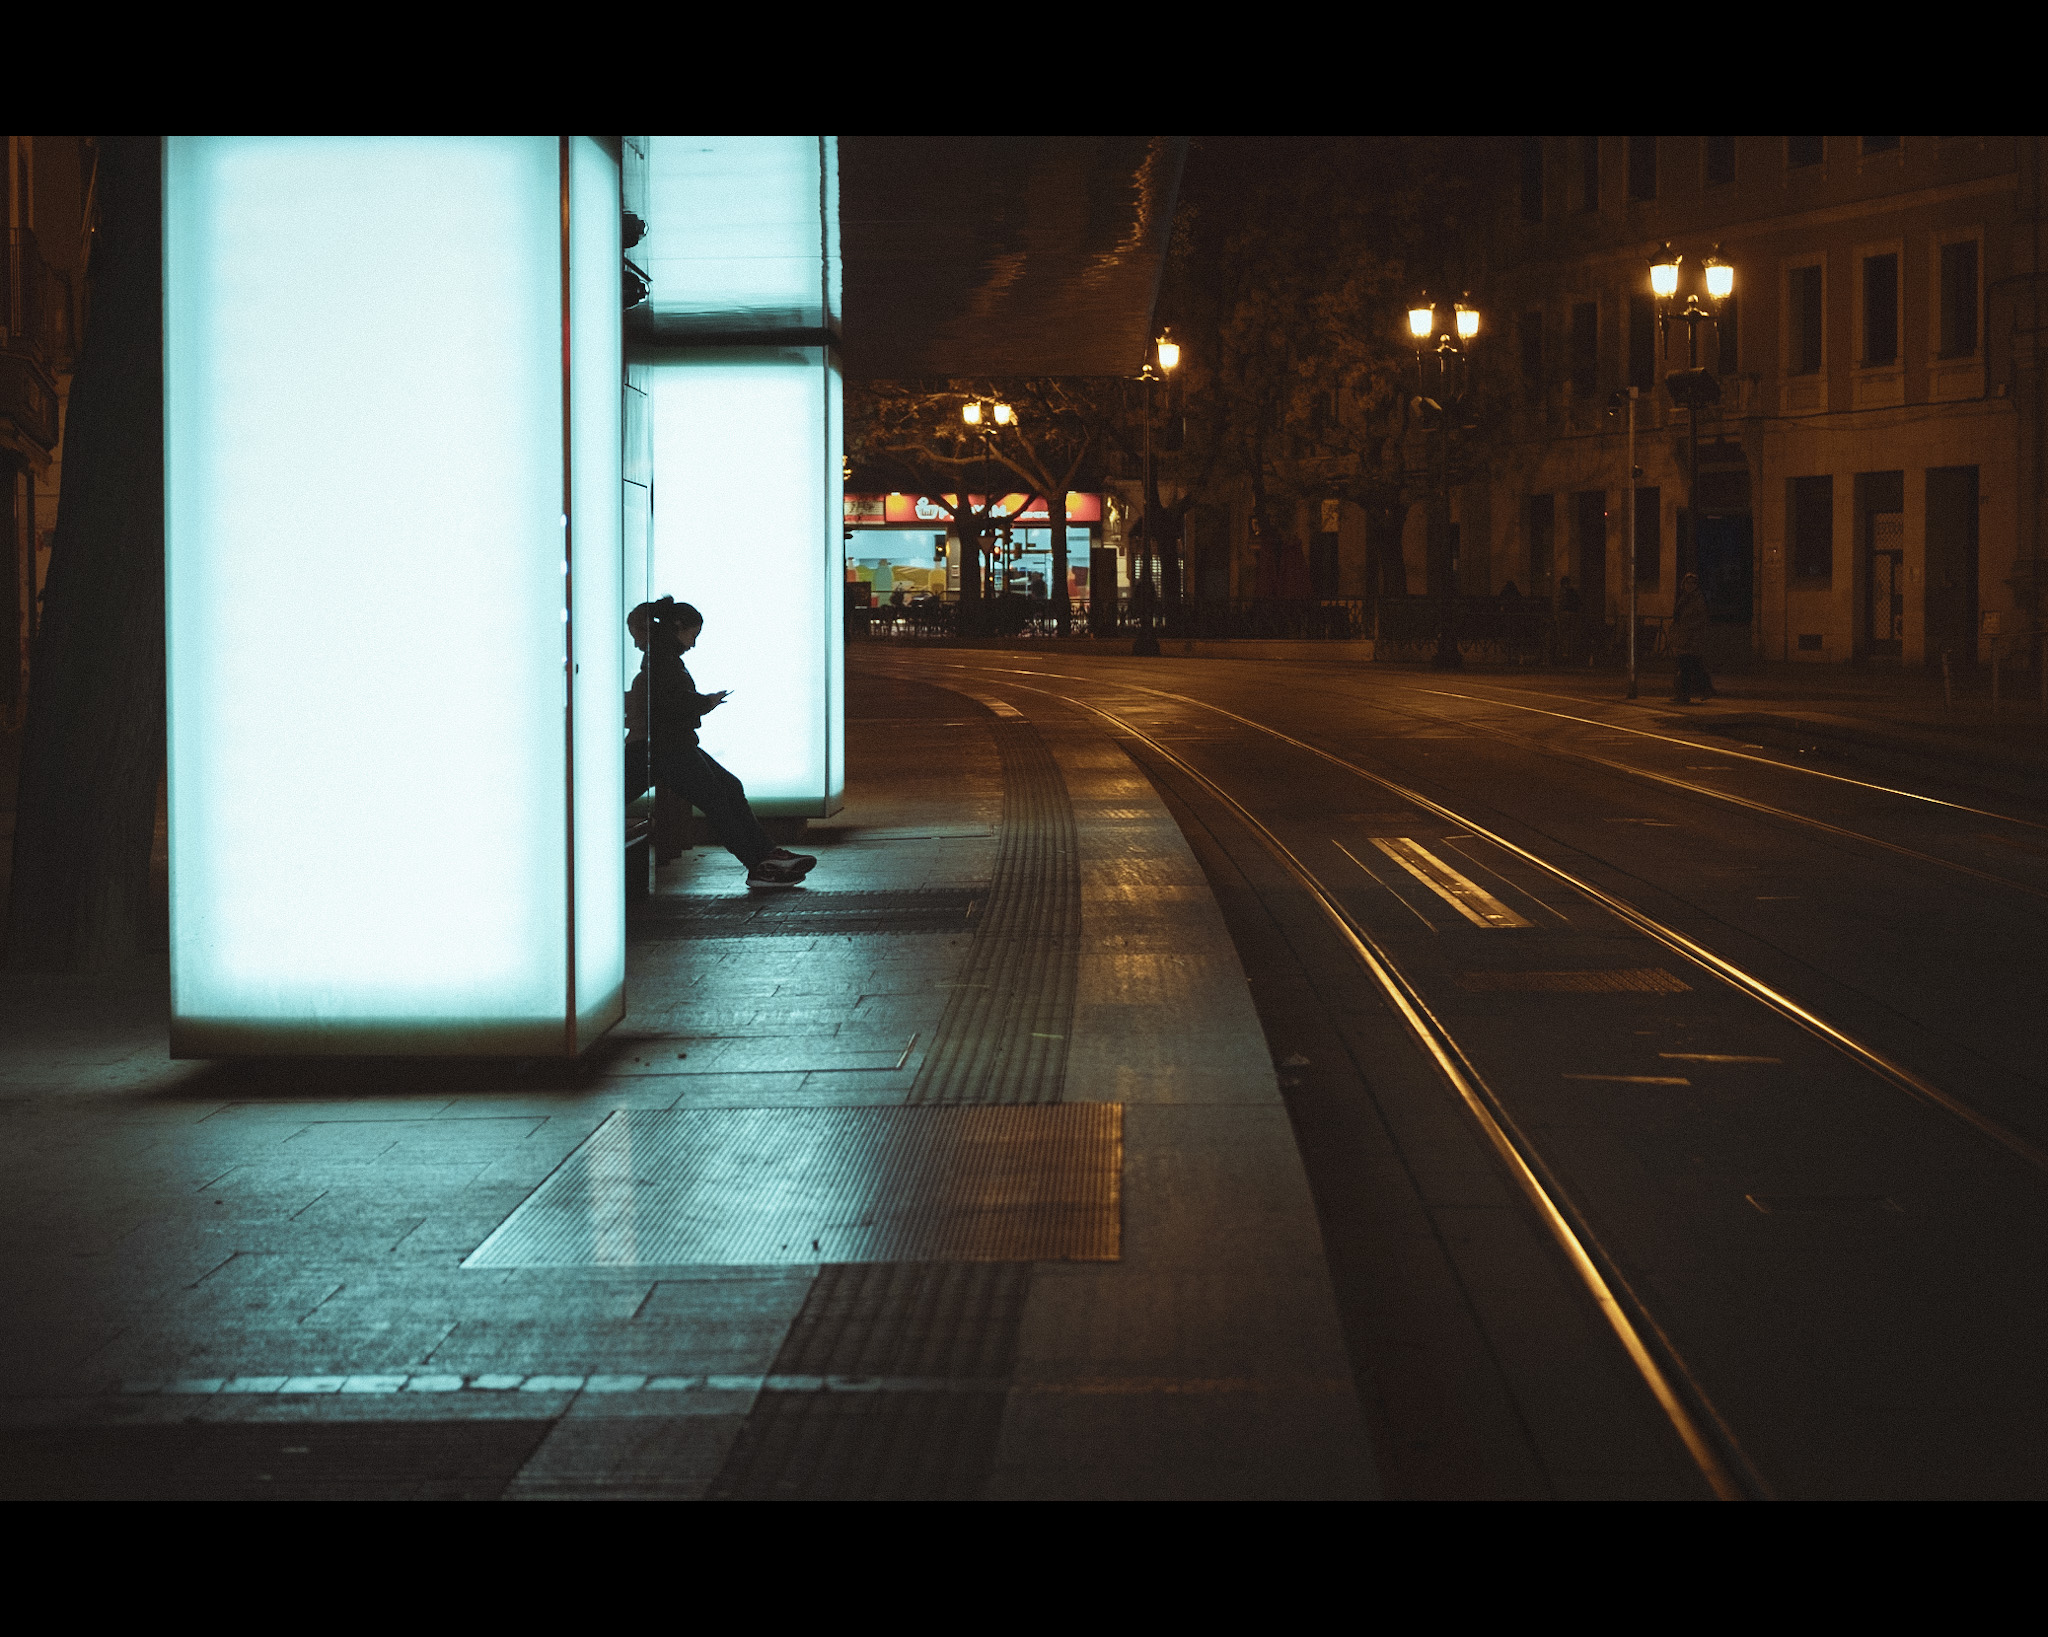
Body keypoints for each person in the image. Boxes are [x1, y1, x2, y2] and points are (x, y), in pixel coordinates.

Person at [627, 597, 816, 889]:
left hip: (672, 746)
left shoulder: (662, 659)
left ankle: (765, 856)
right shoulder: (663, 662)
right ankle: (759, 862)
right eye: (693, 635)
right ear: (678, 628)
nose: (693, 644)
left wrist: (702, 702)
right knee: (719, 798)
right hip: (669, 749)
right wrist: (705, 703)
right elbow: (673, 705)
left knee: (727, 790)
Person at [1669, 571, 1714, 703]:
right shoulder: (1685, 598)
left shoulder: (1697, 599)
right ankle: (1699, 690)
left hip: (1692, 638)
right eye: (1687, 583)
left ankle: (1688, 693)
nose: (1689, 586)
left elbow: (1701, 618)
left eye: (1692, 583)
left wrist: (1688, 628)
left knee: (1688, 665)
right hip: (1684, 637)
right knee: (1690, 665)